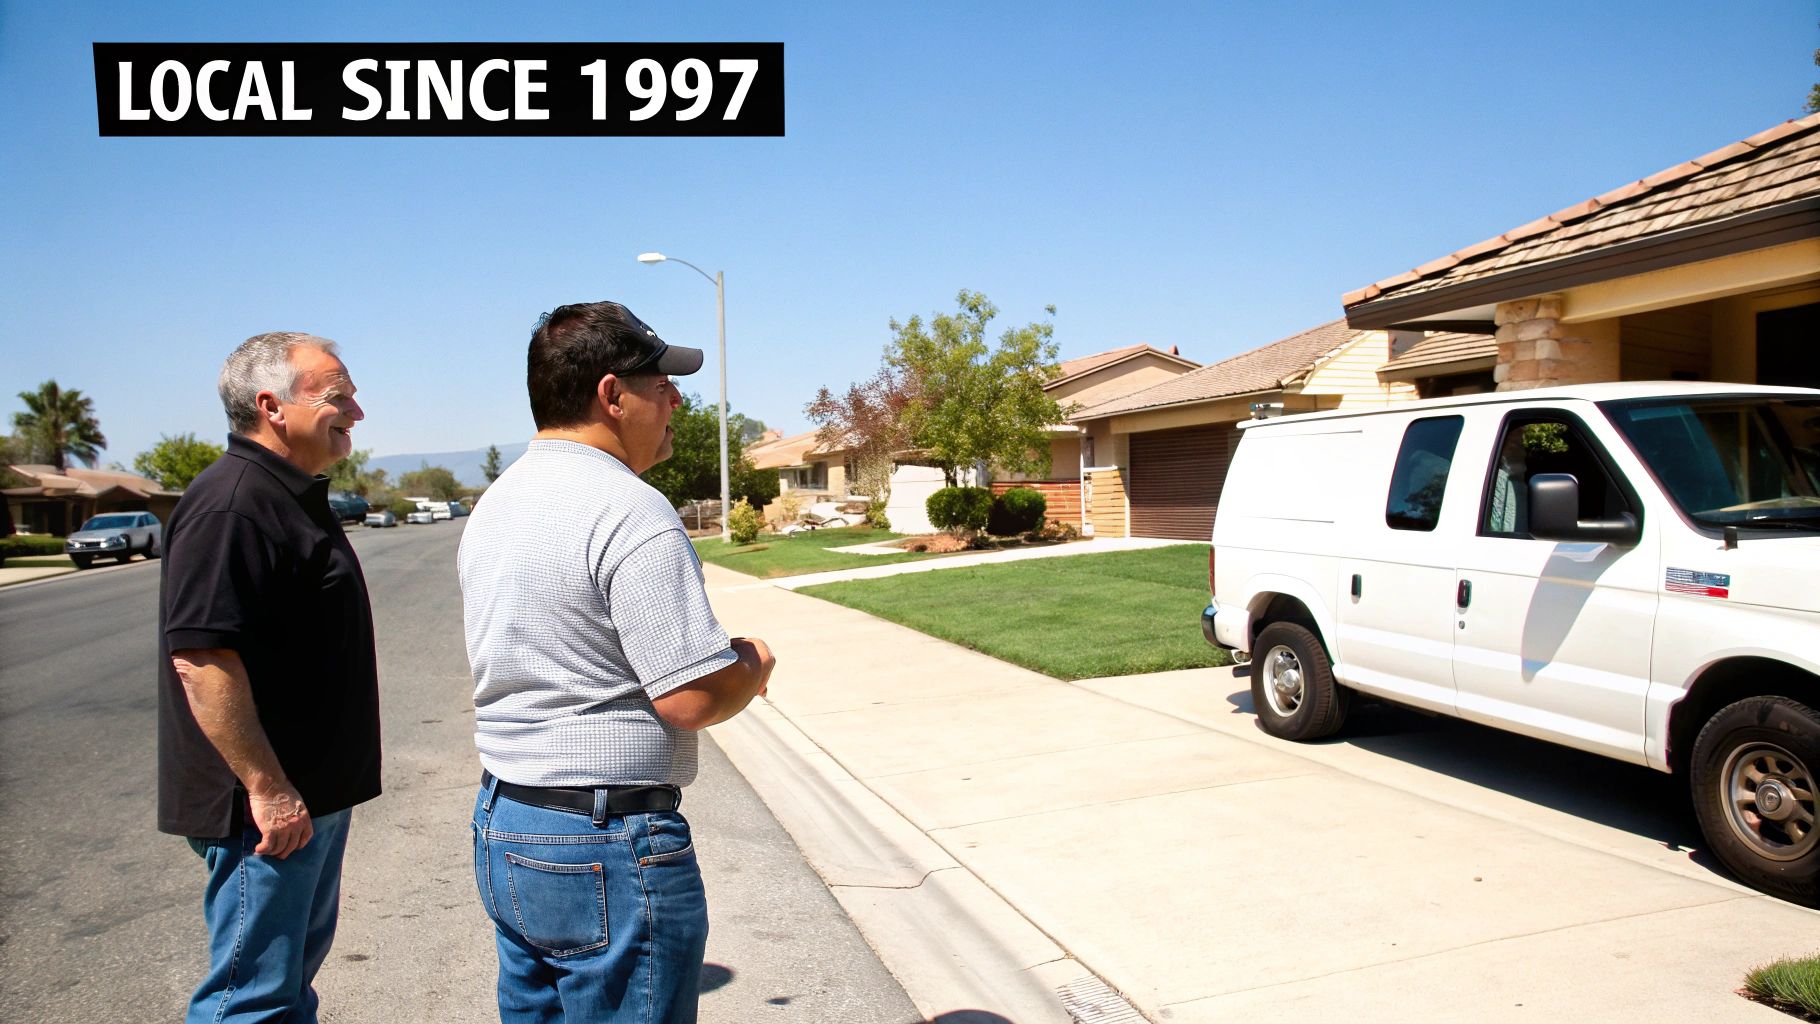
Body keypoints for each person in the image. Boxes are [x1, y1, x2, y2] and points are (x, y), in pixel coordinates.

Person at [459, 301, 776, 1024]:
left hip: (509, 819)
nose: (674, 397)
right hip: (606, 839)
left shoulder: (498, 503)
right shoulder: (629, 510)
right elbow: (690, 697)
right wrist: (752, 665)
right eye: (659, 380)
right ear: (611, 394)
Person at [157, 332, 380, 1024]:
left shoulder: (286, 493)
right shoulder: (235, 503)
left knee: (282, 991)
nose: (357, 412)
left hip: (304, 799)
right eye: (338, 396)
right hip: (266, 813)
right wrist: (268, 788)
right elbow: (203, 659)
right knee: (249, 1001)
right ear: (271, 406)